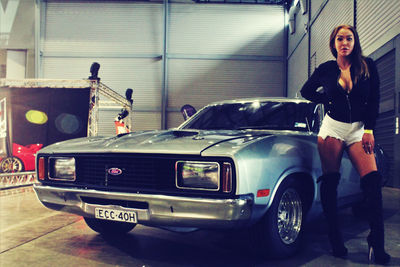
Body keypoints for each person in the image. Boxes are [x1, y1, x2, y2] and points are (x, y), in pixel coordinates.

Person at [300, 24, 390, 264]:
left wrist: (370, 129)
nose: (344, 43)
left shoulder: (367, 65)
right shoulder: (326, 69)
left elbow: (374, 99)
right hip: (332, 128)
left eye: (349, 38)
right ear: (333, 43)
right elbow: (305, 91)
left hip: (360, 128)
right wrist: (327, 100)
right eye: (340, 39)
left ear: (354, 41)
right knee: (331, 182)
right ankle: (335, 237)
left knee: (372, 182)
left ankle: (377, 243)